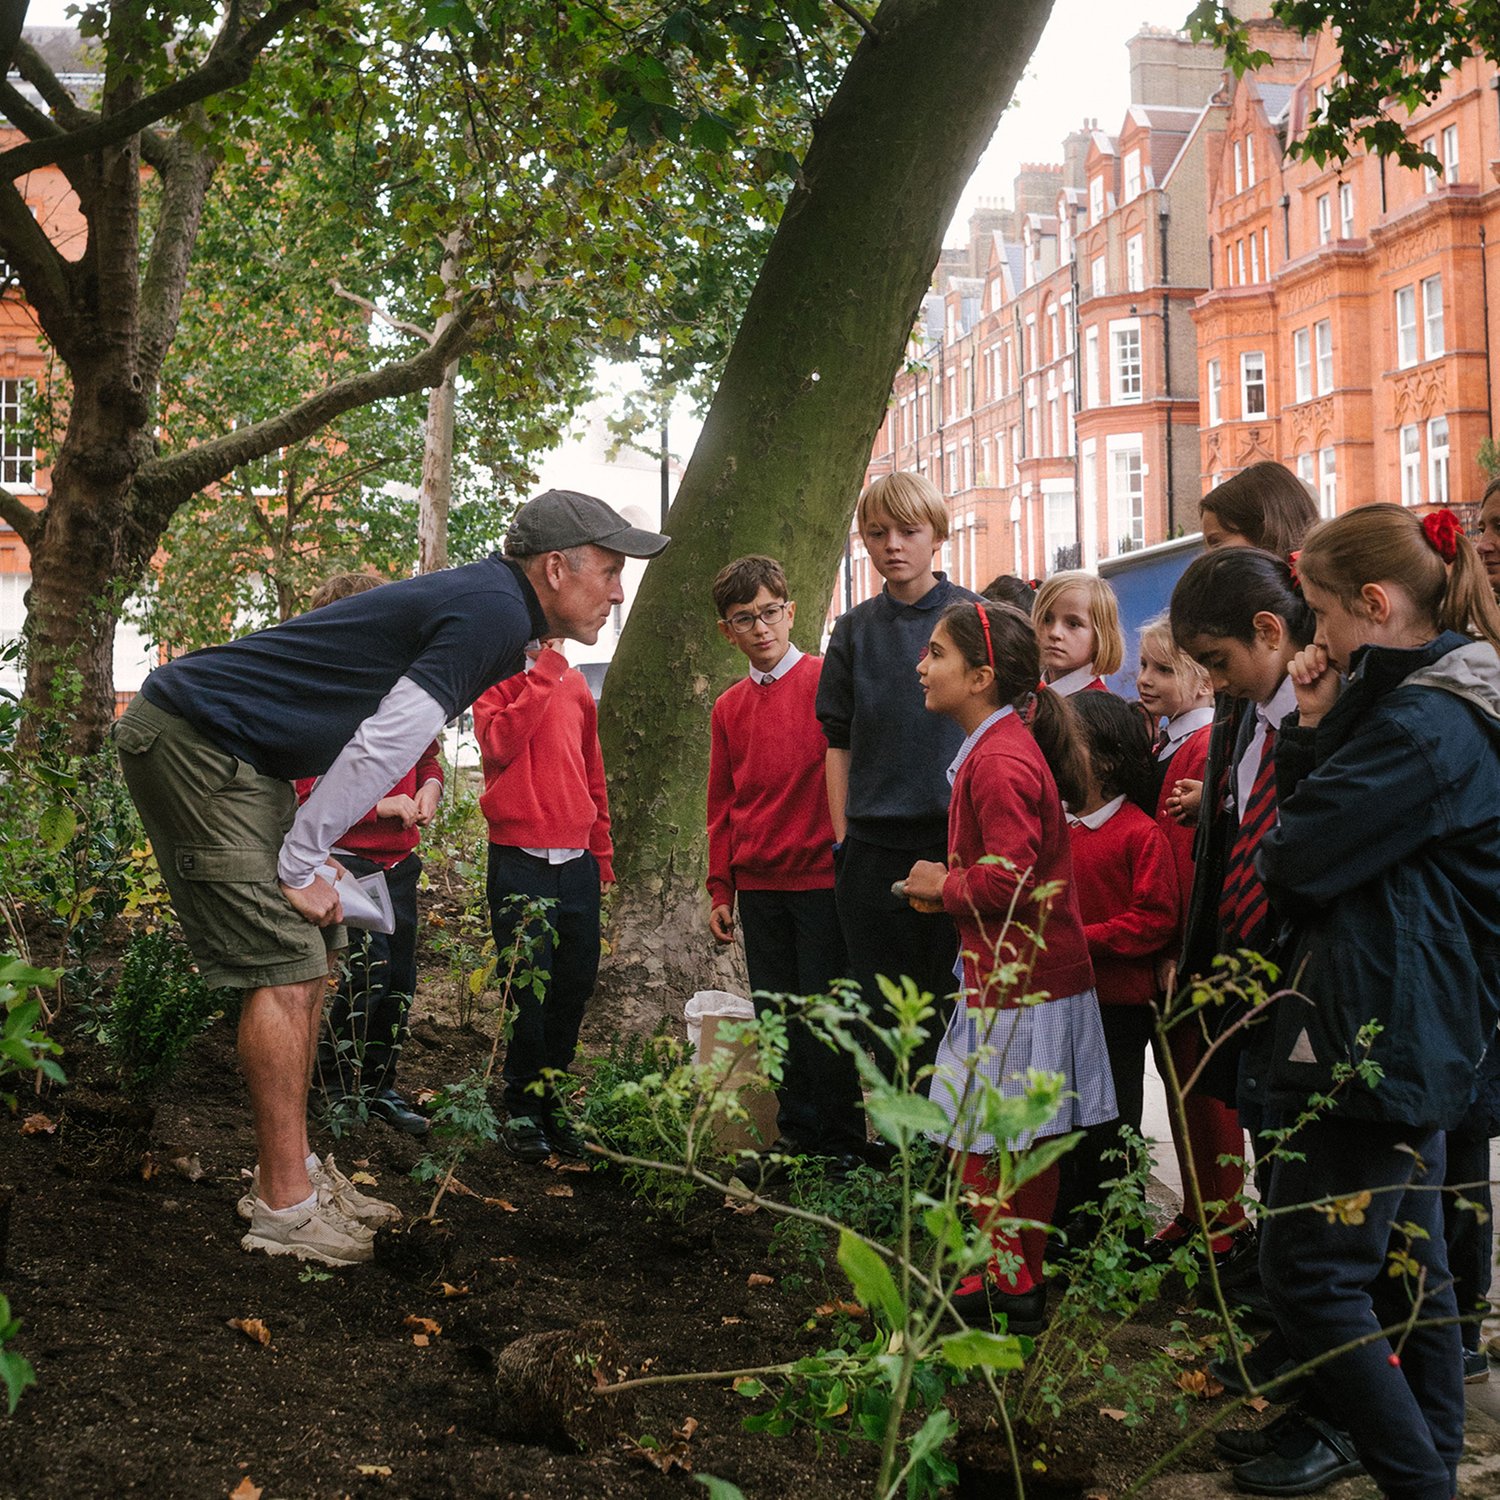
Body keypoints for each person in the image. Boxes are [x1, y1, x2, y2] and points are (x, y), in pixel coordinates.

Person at [114, 489, 668, 1266]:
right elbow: (384, 745)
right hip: (199, 744)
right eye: (609, 571)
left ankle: (297, 1173)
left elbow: (381, 736)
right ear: (555, 567)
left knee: (313, 950)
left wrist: (310, 855)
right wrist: (303, 858)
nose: (617, 591)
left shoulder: (497, 610)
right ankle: (284, 1208)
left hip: (242, 754)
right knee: (284, 961)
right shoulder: (494, 612)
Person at [1220, 504, 1500, 1500]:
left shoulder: (1428, 723)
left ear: (1373, 605)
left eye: (1324, 615)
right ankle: (1430, 1461)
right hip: (1408, 1024)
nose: (1315, 641)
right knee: (1406, 1268)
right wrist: (1314, 726)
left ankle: (1416, 1481)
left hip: (1379, 1031)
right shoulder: (1431, 703)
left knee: (1314, 1274)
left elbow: (1295, 852)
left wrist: (1313, 730)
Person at [901, 601, 1114, 1333]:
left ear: (982, 676)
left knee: (975, 1134)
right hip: (1033, 980)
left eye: (935, 655)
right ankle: (1016, 1278)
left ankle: (1004, 1280)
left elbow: (1011, 881)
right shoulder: (1004, 745)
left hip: (1018, 986)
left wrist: (941, 887)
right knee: (1023, 1136)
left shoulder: (996, 760)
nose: (921, 666)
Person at [816, 473, 980, 1077]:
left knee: (956, 1005)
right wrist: (843, 839)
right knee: (884, 1013)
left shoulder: (976, 618)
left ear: (937, 535)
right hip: (872, 845)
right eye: (878, 532)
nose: (893, 545)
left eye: (909, 531)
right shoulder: (854, 631)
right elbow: (838, 742)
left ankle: (958, 1152)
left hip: (955, 842)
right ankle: (898, 1151)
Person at [705, 556, 861, 1163]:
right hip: (761, 886)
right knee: (777, 1017)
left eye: (770, 612)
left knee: (829, 1014)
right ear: (728, 630)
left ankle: (843, 1141)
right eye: (745, 618)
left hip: (823, 880)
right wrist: (722, 890)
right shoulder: (727, 708)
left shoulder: (828, 682)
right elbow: (721, 804)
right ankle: (797, 1134)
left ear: (792, 611)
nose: (761, 628)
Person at [293, 571, 442, 1138]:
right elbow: (309, 790)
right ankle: (331, 1090)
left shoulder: (398, 690)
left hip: (399, 864)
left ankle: (379, 1087)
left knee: (399, 977)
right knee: (364, 974)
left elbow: (427, 753)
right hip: (344, 863)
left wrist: (429, 787)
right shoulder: (323, 698)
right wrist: (383, 806)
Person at [474, 632, 614, 1165]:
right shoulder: (497, 684)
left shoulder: (577, 686)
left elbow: (591, 773)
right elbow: (500, 745)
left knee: (573, 986)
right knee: (527, 990)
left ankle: (553, 1097)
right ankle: (523, 1105)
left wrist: (600, 853)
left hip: (576, 863)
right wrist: (544, 671)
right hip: (518, 860)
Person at [1054, 690, 1179, 1240]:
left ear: (1104, 760)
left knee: (1111, 1120)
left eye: (1068, 745)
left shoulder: (1137, 833)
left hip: (1118, 1006)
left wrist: (1082, 939)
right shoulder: (1055, 828)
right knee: (1062, 1116)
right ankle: (1066, 1224)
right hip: (1063, 998)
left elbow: (1154, 918)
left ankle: (1114, 1232)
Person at [1031, 571, 1124, 696]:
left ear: (1100, 636)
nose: (1055, 633)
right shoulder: (1031, 696)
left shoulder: (1097, 709)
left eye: (1073, 624)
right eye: (1046, 619)